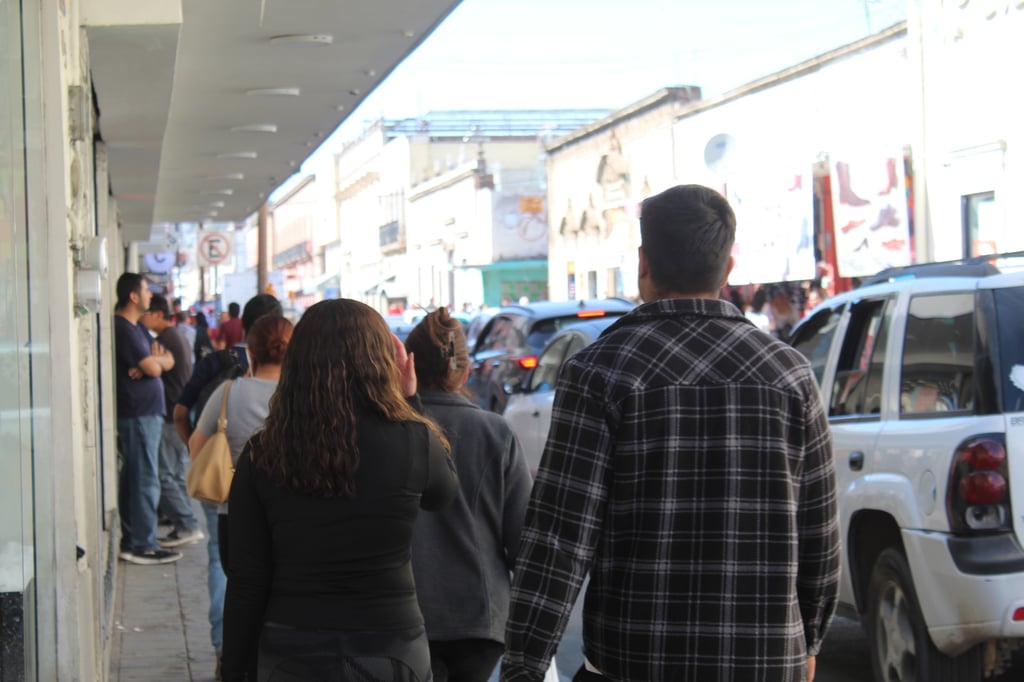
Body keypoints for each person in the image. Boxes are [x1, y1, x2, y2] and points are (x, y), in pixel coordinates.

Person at [501, 185, 840, 682]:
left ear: (644, 264)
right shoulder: (789, 375)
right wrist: (810, 639)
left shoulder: (600, 372)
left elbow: (559, 538)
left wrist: (524, 665)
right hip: (766, 661)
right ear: (728, 269)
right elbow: (819, 535)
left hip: (634, 660)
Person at [221, 299, 459, 682]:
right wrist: (409, 401)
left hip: (291, 647)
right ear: (383, 362)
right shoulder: (413, 442)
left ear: (297, 365)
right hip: (393, 647)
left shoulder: (263, 453)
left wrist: (233, 670)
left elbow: (247, 576)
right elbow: (443, 494)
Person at [405, 308, 532, 682]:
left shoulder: (391, 430)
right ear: (464, 370)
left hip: (405, 618)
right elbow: (522, 540)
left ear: (407, 365)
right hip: (480, 619)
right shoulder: (496, 432)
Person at [175, 292, 282, 677]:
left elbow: (185, 422)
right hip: (286, 510)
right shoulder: (304, 394)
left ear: (249, 343)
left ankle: (225, 649)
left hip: (227, 499)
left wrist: (206, 461)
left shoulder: (226, 384)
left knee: (228, 573)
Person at [113, 273, 182, 565]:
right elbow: (156, 368)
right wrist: (152, 366)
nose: (150, 295)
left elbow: (167, 360)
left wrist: (153, 363)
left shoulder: (137, 328)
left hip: (146, 413)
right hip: (139, 414)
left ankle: (136, 539)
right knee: (145, 480)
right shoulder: (125, 328)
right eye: (145, 290)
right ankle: (142, 543)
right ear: (133, 296)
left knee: (139, 477)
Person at [140, 294, 204, 547]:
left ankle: (187, 524)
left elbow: (152, 367)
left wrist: (143, 365)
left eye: (146, 313)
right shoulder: (175, 335)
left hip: (169, 415)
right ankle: (183, 522)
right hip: (177, 413)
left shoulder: (166, 339)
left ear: (157, 314)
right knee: (174, 474)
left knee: (165, 475)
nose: (143, 319)